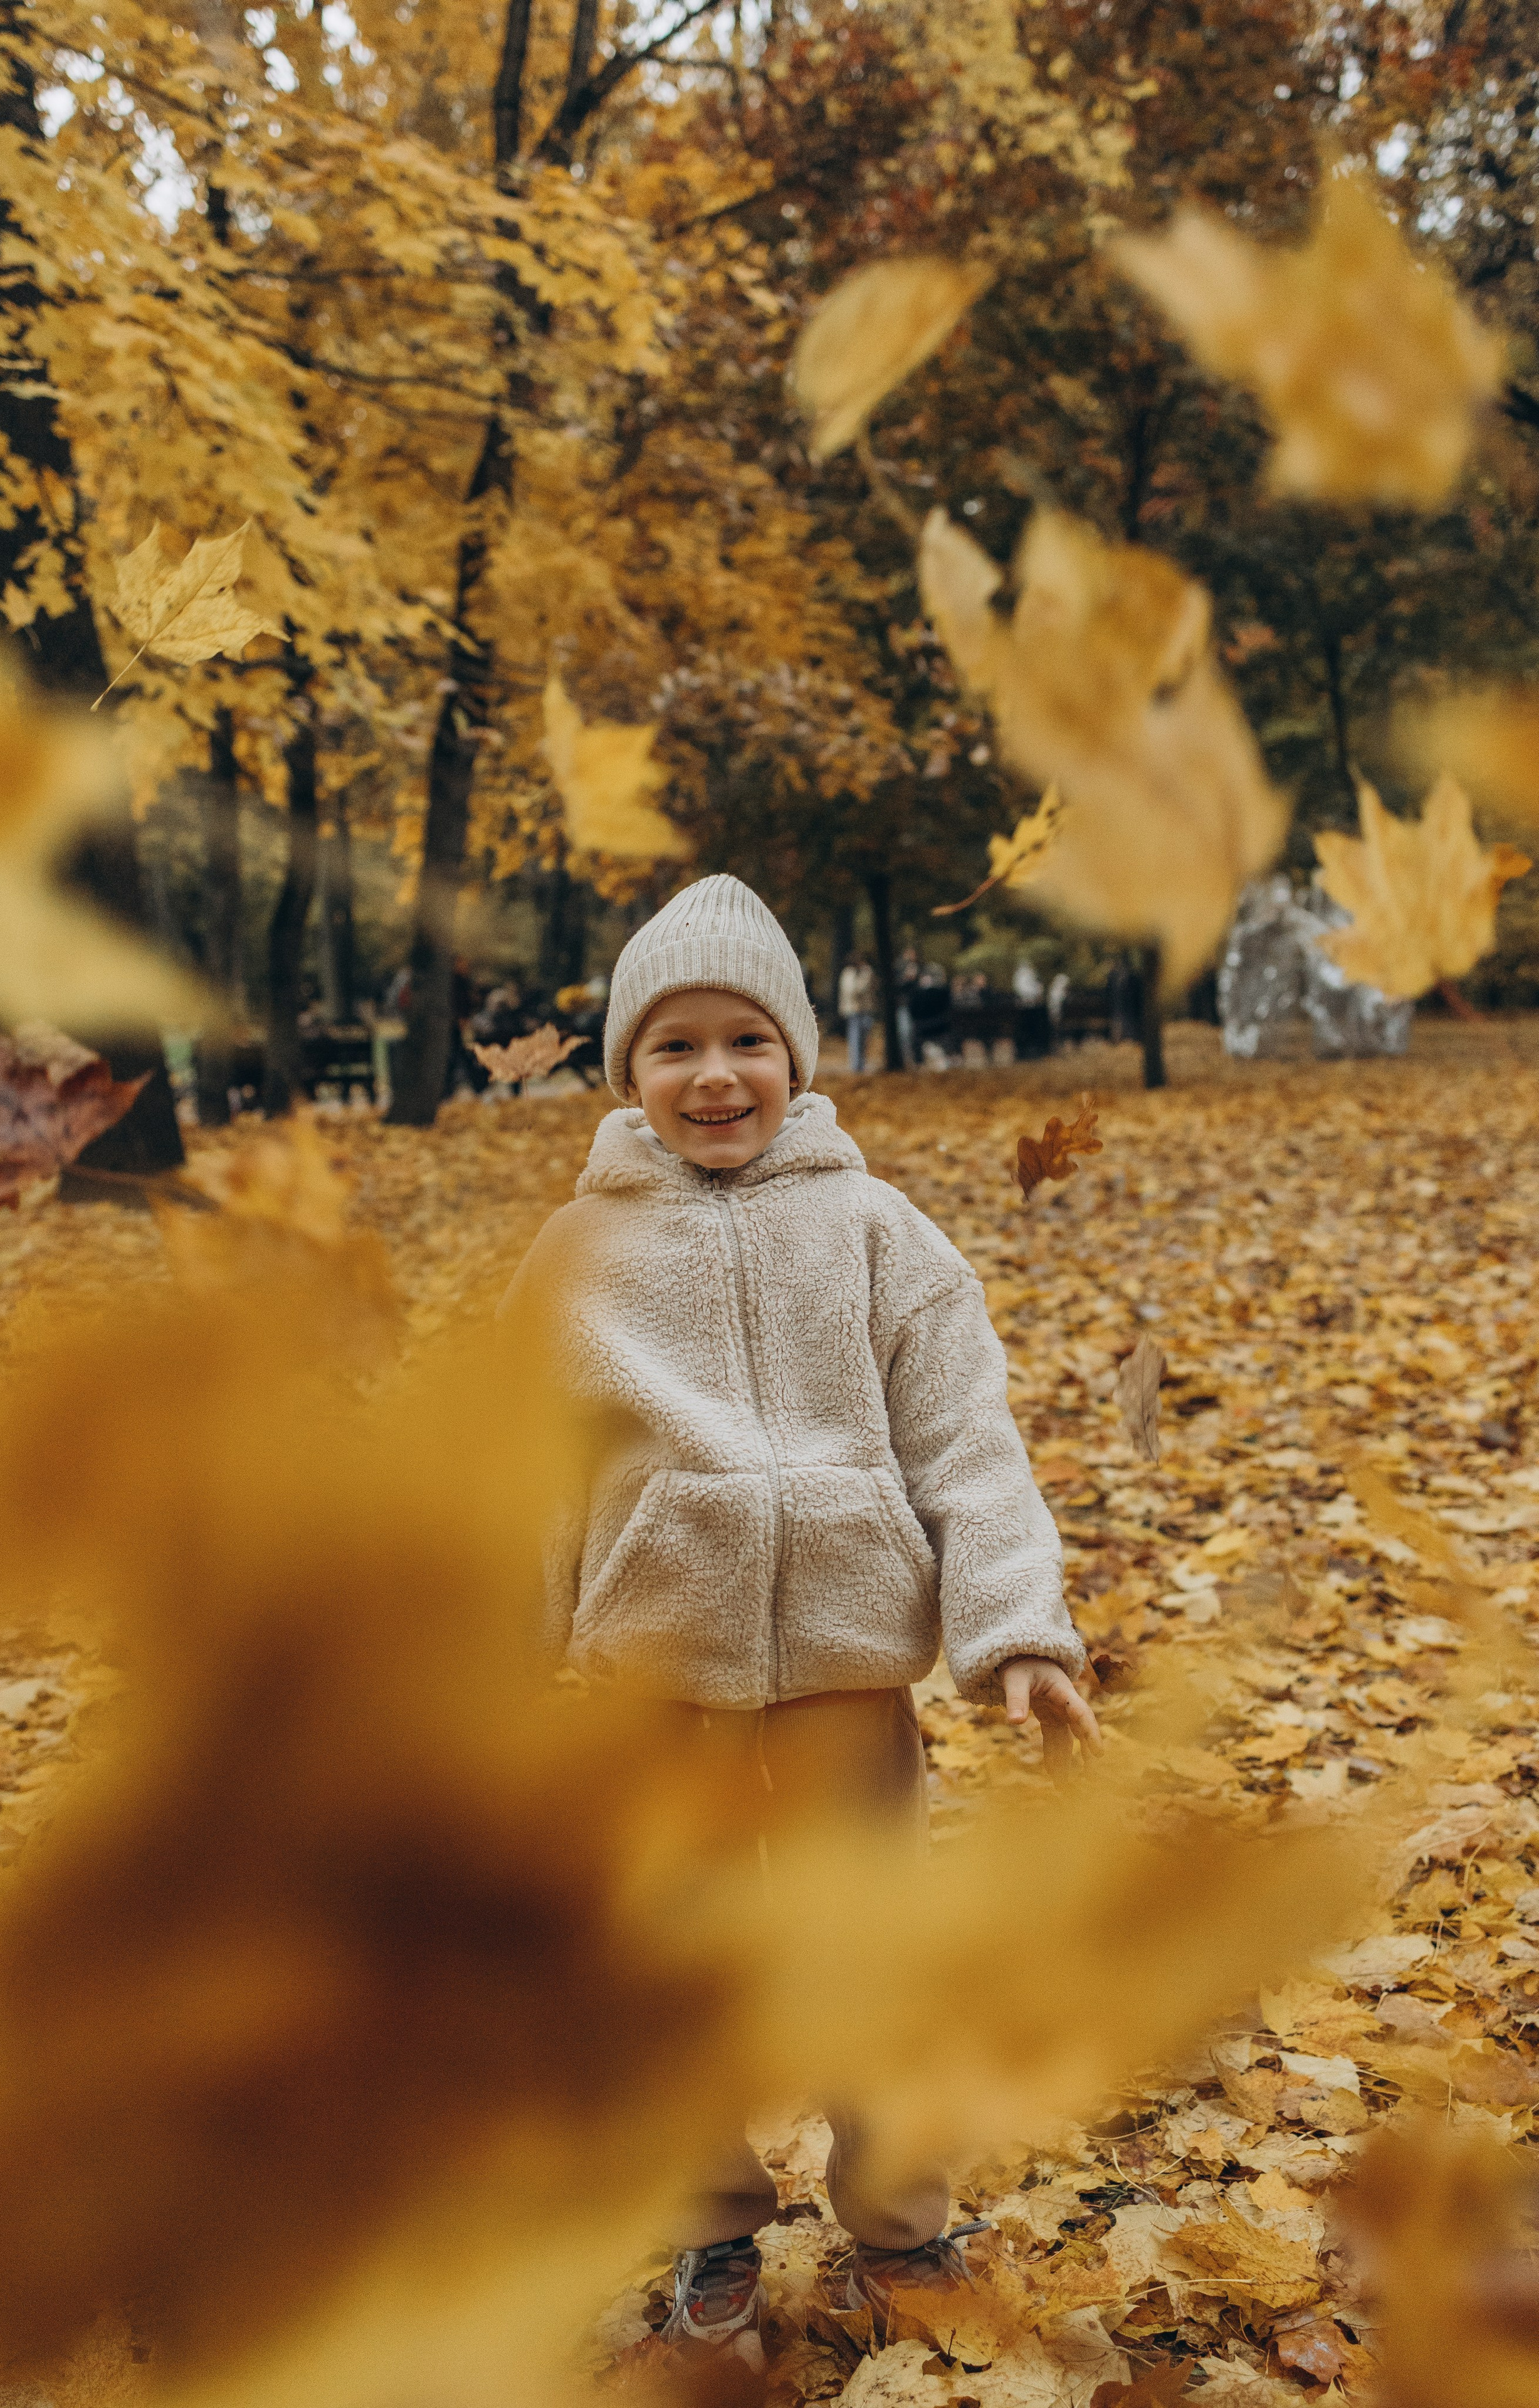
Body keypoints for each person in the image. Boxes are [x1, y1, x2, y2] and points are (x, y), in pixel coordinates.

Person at [504, 876, 1097, 2374]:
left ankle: (900, 2221)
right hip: (653, 1674)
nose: (714, 1075)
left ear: (798, 1052)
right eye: (675, 1046)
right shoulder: (575, 1258)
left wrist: (1016, 1629)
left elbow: (967, 1441)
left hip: (844, 1671)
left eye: (748, 1038)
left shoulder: (879, 1233)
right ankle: (707, 2218)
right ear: (626, 1073)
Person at [837, 953, 878, 1074]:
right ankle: (855, 1066)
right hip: (853, 1011)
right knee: (855, 1039)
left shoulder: (867, 972)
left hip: (866, 1010)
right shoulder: (848, 973)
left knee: (865, 1039)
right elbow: (851, 990)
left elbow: (868, 988)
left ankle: (862, 1063)